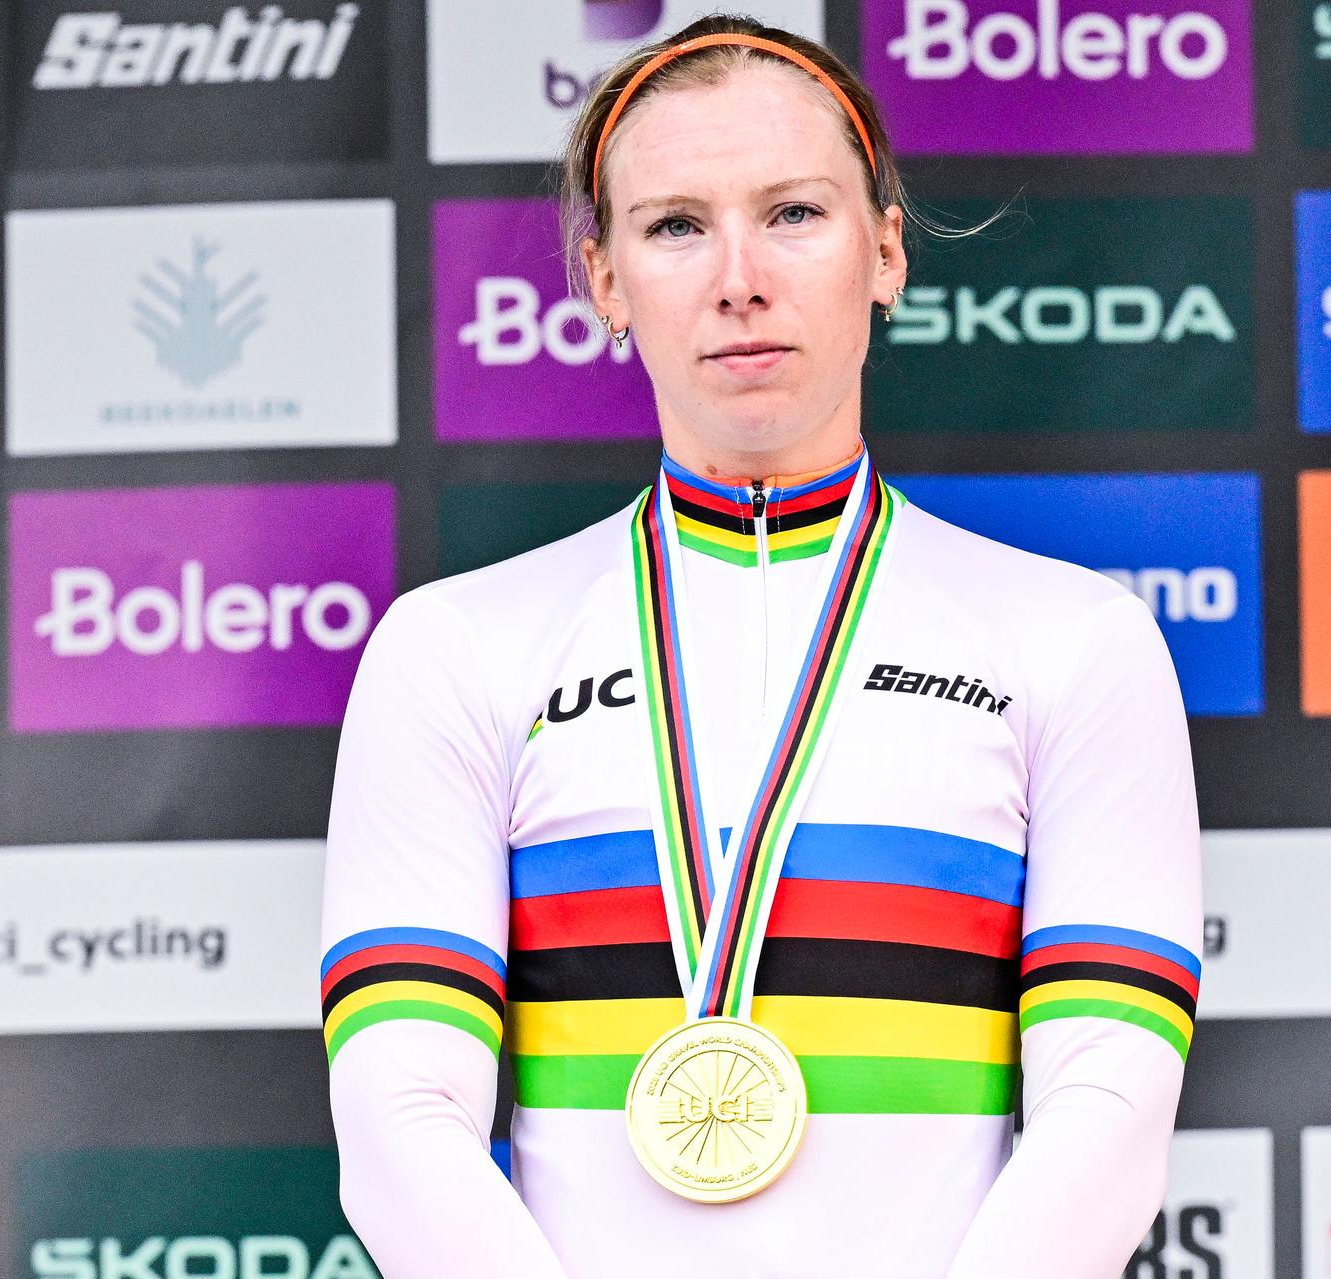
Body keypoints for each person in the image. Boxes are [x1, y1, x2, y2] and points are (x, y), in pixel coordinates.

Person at [318, 14, 1202, 1277]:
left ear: (886, 251)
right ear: (604, 279)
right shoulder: (458, 648)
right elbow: (399, 1122)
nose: (739, 274)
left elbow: (1108, 1112)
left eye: (795, 212)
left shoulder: (1074, 644)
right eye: (676, 224)